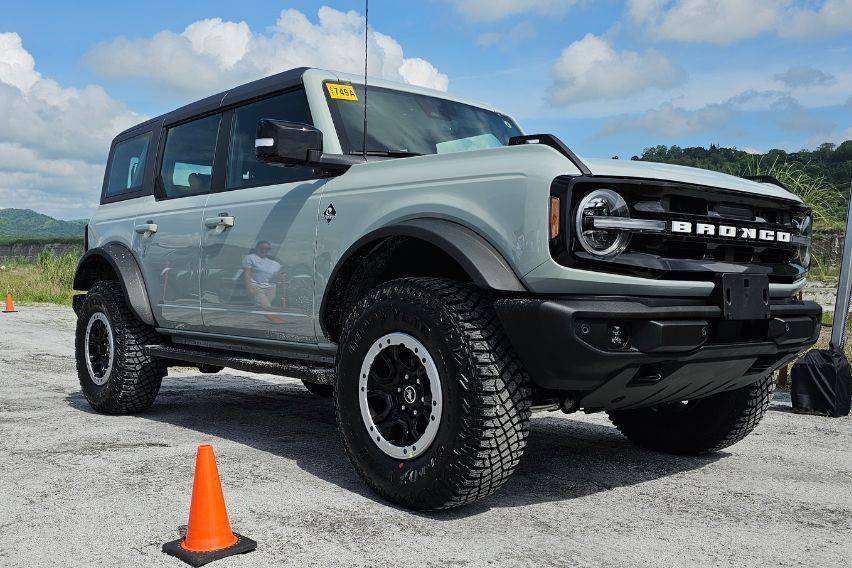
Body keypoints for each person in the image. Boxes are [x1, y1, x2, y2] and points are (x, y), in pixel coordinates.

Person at [242, 241, 284, 310]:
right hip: (257, 288)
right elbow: (247, 274)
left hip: (271, 289)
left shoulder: (275, 263)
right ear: (257, 248)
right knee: (267, 308)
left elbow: (279, 277)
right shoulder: (250, 258)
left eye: (267, 248)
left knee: (262, 309)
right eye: (262, 248)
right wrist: (249, 288)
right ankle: (278, 320)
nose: (264, 250)